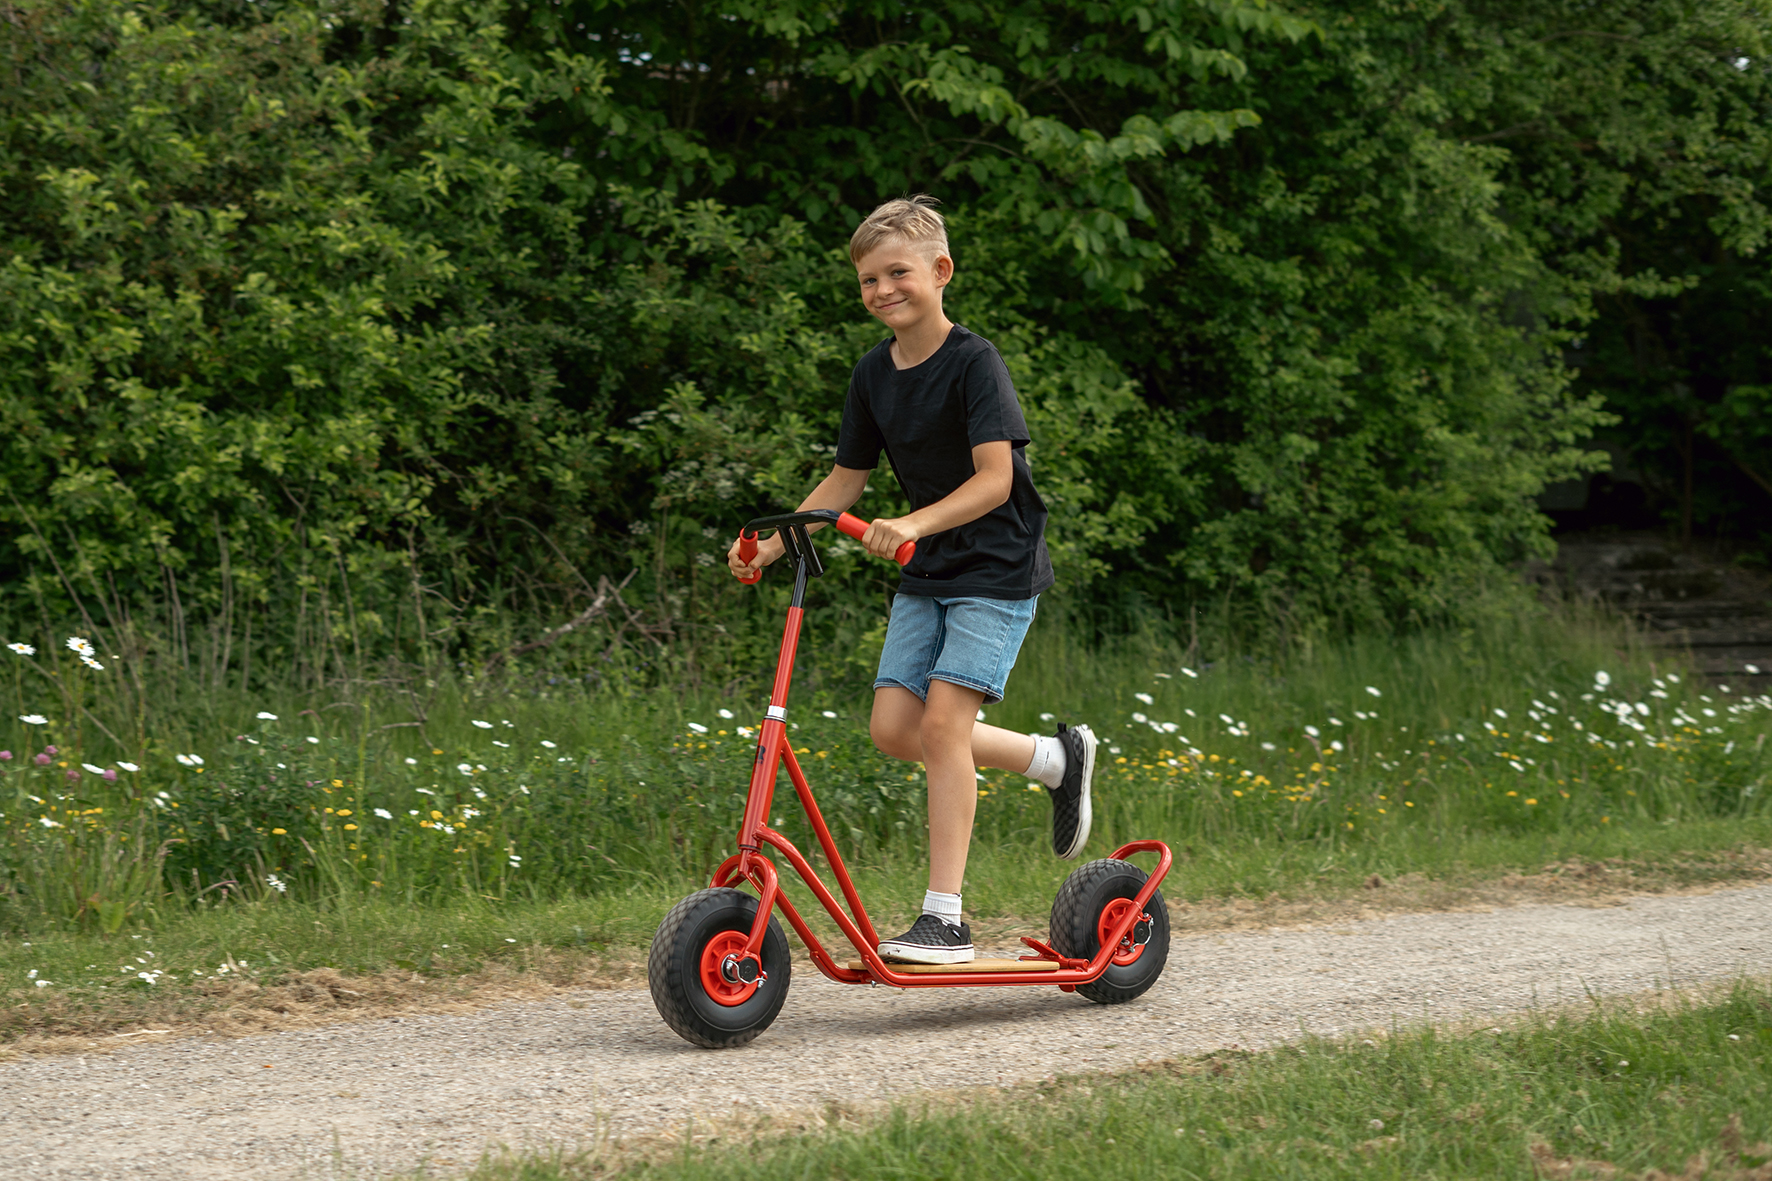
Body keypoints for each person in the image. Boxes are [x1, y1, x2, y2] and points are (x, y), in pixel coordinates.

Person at [727, 195, 1097, 965]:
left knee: (941, 727)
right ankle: (1054, 760)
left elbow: (997, 480)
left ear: (940, 271)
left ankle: (945, 919)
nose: (882, 289)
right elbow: (844, 480)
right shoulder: (873, 374)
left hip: (995, 566)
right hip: (927, 567)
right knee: (896, 730)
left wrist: (917, 522)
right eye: (868, 279)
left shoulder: (973, 362)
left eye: (897, 271)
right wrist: (771, 544)